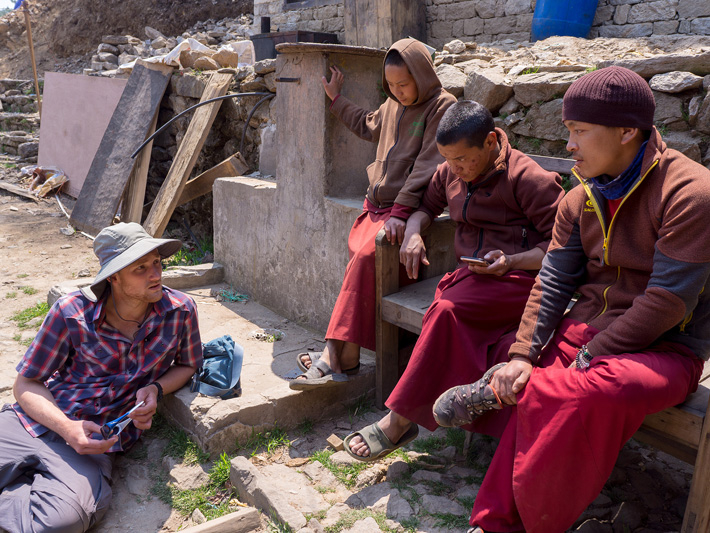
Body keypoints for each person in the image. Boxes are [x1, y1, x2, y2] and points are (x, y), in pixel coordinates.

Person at [433, 66, 710, 533]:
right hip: (587, 331)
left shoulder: (690, 193)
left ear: (627, 131)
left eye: (579, 131)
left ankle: (523, 513)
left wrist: (587, 357)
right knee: (524, 366)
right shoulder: (578, 198)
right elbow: (553, 279)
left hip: (664, 349)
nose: (569, 145)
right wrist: (523, 354)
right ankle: (492, 523)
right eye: (568, 130)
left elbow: (667, 302)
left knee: (582, 389)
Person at [344, 100, 565, 460]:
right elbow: (426, 206)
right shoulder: (449, 173)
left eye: (463, 160)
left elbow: (562, 247)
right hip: (473, 279)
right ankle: (411, 415)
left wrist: (512, 261)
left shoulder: (528, 178)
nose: (456, 169)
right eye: (448, 159)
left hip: (521, 281)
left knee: (446, 310)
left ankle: (398, 421)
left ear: (491, 141)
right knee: (446, 308)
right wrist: (414, 230)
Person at [0, 222, 203, 533]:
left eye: (157, 263)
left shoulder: (180, 312)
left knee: (60, 524)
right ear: (114, 276)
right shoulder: (72, 313)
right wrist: (66, 427)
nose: (155, 274)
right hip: (35, 421)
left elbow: (189, 364)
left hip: (94, 444)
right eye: (140, 268)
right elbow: (26, 383)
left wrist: (155, 388)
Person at [291, 38, 457, 390]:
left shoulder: (441, 106)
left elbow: (429, 165)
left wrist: (400, 211)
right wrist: (336, 101)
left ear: (423, 75)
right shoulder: (394, 103)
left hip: (407, 213)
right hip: (376, 208)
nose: (398, 92)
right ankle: (346, 355)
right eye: (391, 85)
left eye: (404, 83)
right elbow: (368, 125)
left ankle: (332, 354)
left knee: (367, 258)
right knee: (360, 260)